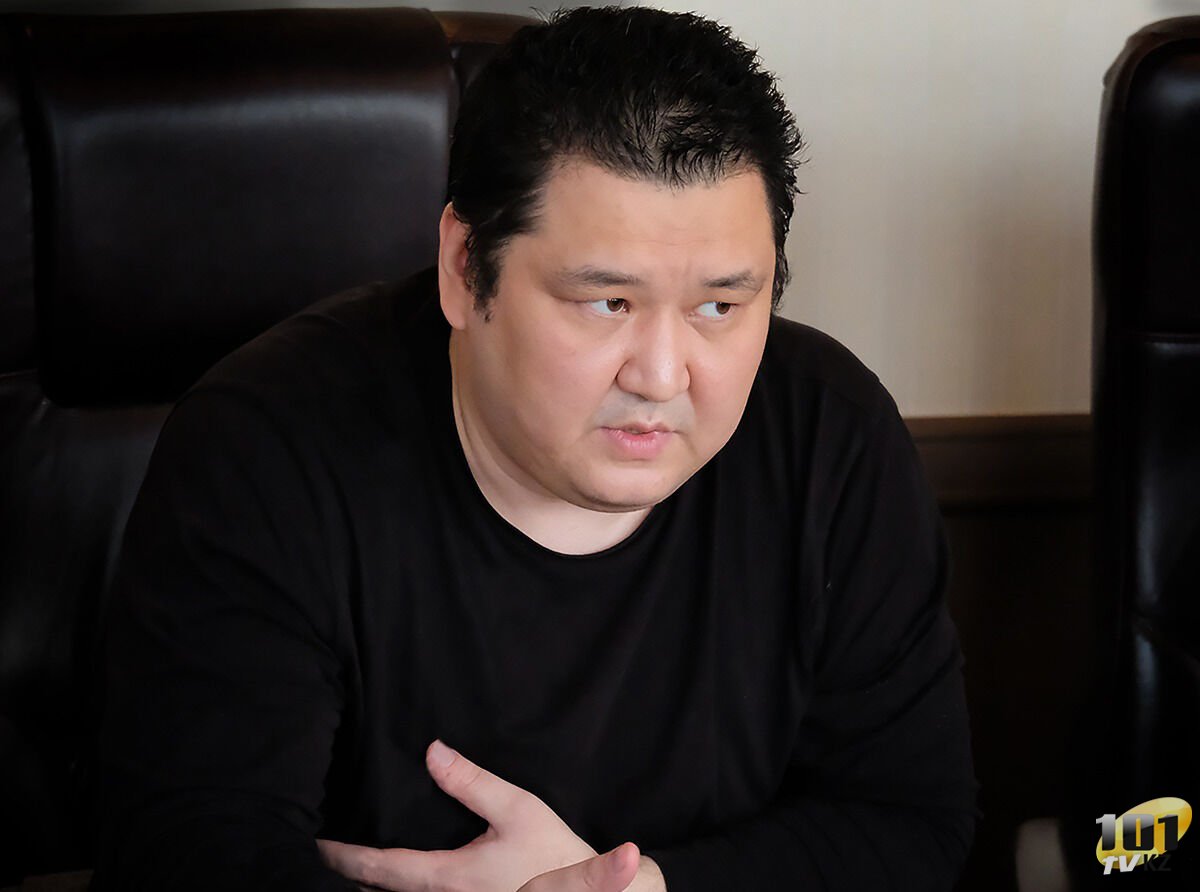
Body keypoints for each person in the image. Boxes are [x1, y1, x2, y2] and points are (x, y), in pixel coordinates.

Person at [91, 6, 978, 891]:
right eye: (607, 303)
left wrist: (639, 888)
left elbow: (910, 827)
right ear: (463, 267)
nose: (662, 375)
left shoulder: (830, 436)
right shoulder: (265, 451)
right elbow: (190, 859)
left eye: (720, 307)